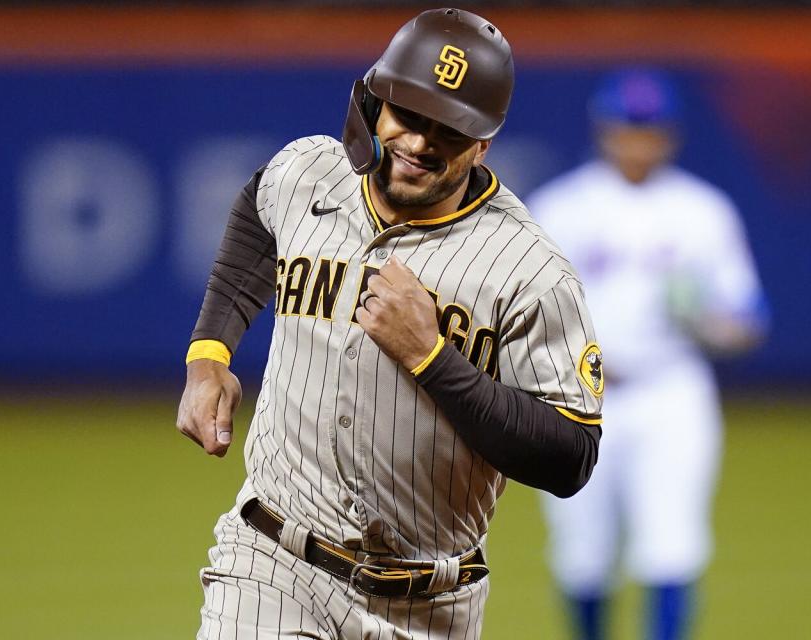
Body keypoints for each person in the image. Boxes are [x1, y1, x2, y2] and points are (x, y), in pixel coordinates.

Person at [176, 9, 605, 640]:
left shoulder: (529, 271)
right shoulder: (310, 172)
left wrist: (432, 358)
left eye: (450, 131)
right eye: (409, 115)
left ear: (483, 143)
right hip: (273, 561)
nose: (422, 142)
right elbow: (256, 210)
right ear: (375, 104)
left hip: (430, 606)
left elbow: (571, 456)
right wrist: (210, 353)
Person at [529, 69, 769, 640]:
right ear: (604, 130)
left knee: (671, 546)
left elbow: (749, 318)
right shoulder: (558, 207)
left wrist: (711, 325)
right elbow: (518, 311)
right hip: (576, 397)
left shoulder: (702, 211)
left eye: (650, 129)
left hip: (671, 391)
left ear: (670, 135)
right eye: (628, 128)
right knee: (581, 552)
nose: (639, 141)